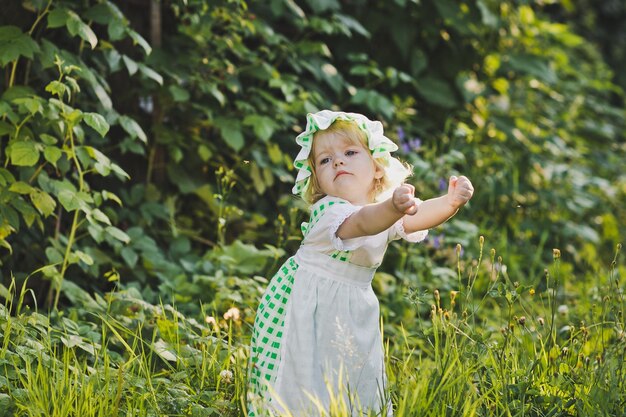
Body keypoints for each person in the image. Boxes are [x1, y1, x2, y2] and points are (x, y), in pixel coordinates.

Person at [247, 110, 474, 416]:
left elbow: (416, 218)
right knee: (304, 374)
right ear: (318, 179)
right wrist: (393, 207)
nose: (337, 161)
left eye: (350, 152)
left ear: (377, 168)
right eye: (325, 160)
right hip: (306, 303)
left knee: (353, 370)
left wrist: (449, 203)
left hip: (353, 303)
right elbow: (364, 223)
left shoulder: (383, 208)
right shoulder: (329, 211)